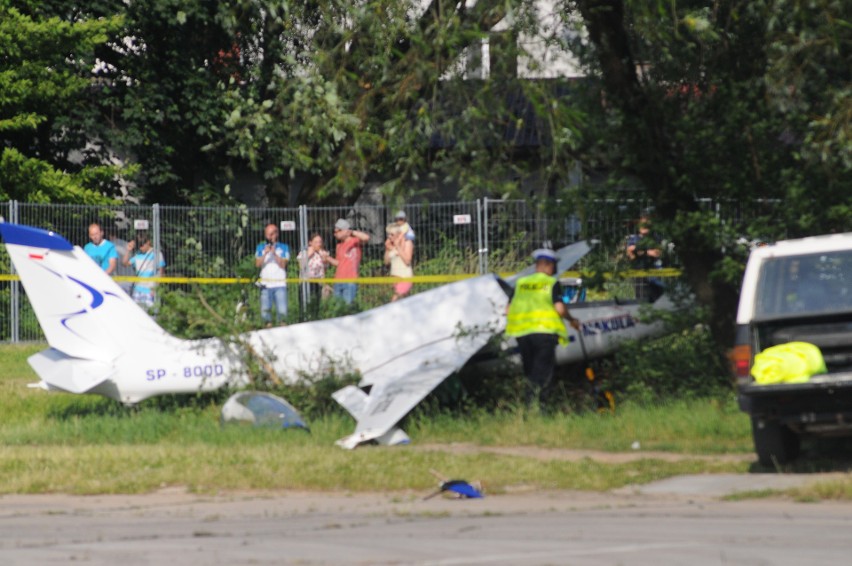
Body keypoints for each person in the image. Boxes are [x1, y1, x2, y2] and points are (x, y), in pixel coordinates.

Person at [505, 247, 580, 408]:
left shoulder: (521, 283)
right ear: (548, 265)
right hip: (544, 334)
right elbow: (559, 309)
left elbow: (508, 310)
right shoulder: (550, 283)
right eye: (554, 266)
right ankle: (539, 409)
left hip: (522, 334)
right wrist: (572, 319)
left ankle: (528, 407)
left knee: (530, 371)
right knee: (543, 374)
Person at [327, 218, 370, 305]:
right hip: (338, 280)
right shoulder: (339, 246)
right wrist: (327, 258)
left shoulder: (355, 241)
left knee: (347, 307)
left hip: (350, 280)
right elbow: (338, 263)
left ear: (344, 230)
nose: (335, 234)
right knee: (337, 309)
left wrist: (352, 232)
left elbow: (366, 237)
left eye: (337, 231)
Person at [255, 222, 290, 327]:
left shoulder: (283, 247)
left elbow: (283, 264)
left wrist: (274, 253)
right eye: (269, 234)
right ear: (266, 235)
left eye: (273, 234)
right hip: (265, 284)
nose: (271, 236)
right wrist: (265, 253)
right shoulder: (260, 247)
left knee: (282, 314)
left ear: (277, 234)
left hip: (279, 284)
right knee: (266, 315)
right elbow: (257, 264)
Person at [121, 232, 165, 311]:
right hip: (137, 290)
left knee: (151, 316)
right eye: (139, 245)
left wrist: (155, 289)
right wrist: (128, 250)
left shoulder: (157, 254)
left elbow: (161, 273)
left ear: (148, 242)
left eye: (142, 245)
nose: (141, 247)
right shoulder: (138, 255)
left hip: (150, 290)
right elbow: (124, 263)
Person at [625, 214, 664, 301]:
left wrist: (639, 251)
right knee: (641, 300)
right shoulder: (633, 239)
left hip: (655, 274)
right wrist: (648, 252)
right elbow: (630, 253)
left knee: (658, 300)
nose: (644, 227)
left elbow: (657, 253)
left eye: (646, 224)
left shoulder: (656, 238)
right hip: (640, 275)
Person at [296, 233, 331, 318]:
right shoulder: (304, 252)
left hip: (318, 283)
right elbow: (301, 265)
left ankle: (315, 318)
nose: (318, 244)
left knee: (317, 305)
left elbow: (324, 269)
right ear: (310, 243)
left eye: (320, 242)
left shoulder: (323, 253)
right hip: (306, 282)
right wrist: (309, 254)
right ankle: (304, 319)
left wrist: (325, 259)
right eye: (316, 242)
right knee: (304, 305)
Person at [384, 218, 414, 302]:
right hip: (395, 277)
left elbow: (407, 260)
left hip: (405, 277)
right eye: (388, 235)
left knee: (395, 300)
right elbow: (386, 262)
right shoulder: (390, 245)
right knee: (405, 302)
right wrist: (387, 249)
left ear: (398, 234)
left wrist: (398, 247)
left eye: (392, 235)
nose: (390, 237)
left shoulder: (407, 243)